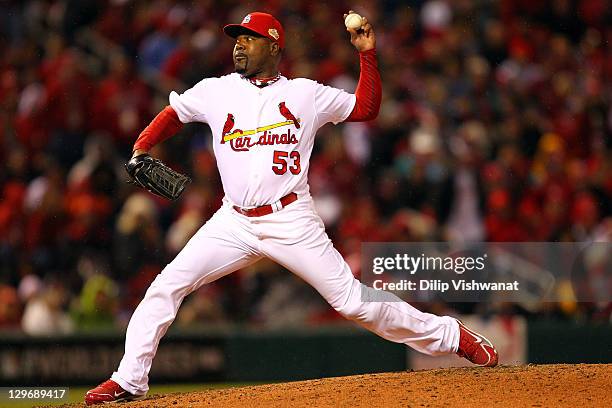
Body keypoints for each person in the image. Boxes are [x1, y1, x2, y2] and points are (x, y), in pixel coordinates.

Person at [85, 11, 498, 405]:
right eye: (237, 39)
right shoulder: (216, 90)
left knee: (353, 302)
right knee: (166, 285)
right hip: (233, 221)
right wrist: (141, 146)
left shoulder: (305, 94)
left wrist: (366, 54)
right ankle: (129, 380)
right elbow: (175, 113)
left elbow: (365, 107)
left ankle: (450, 336)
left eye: (249, 39)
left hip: (290, 218)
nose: (239, 47)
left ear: (274, 46)